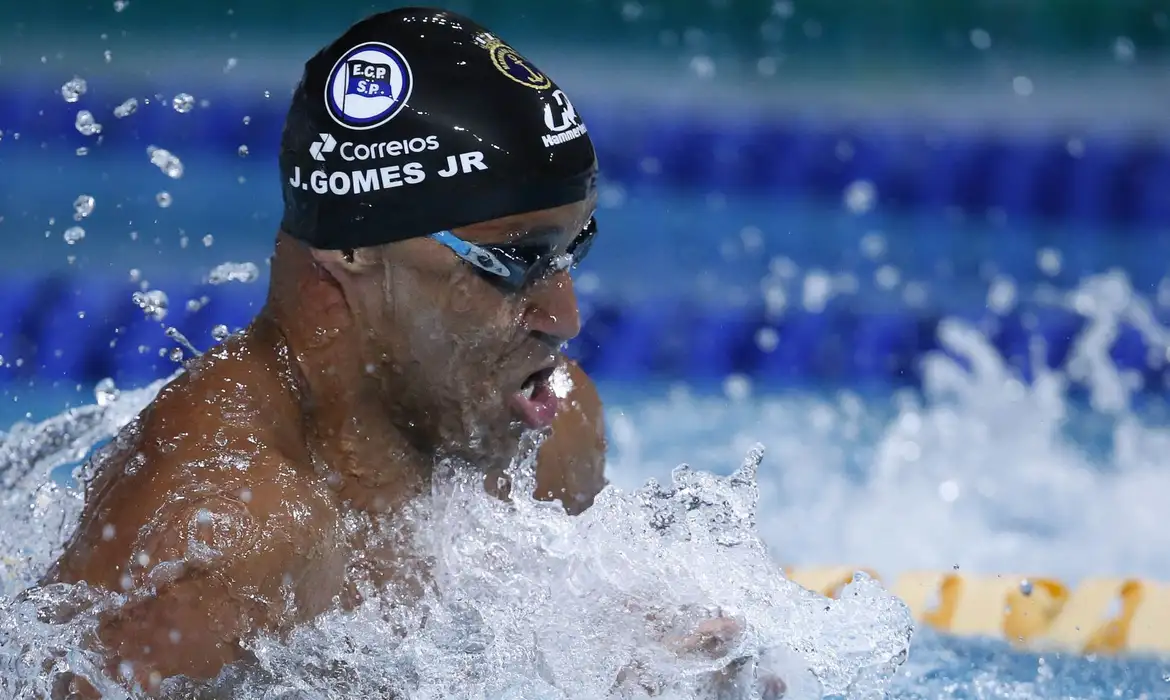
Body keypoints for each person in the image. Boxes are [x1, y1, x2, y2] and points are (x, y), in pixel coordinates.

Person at [44, 7, 782, 698]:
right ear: (352, 245)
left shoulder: (550, 433)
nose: (563, 315)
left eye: (571, 249)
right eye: (513, 260)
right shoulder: (237, 535)